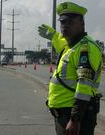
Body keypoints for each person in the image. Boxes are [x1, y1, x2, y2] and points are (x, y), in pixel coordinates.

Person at [38, 2, 103, 135]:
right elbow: (61, 42)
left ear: (82, 23)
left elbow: (84, 87)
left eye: (70, 22)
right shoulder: (71, 46)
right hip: (64, 114)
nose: (65, 25)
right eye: (62, 22)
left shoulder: (86, 48)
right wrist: (53, 36)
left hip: (75, 116)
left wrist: (75, 119)